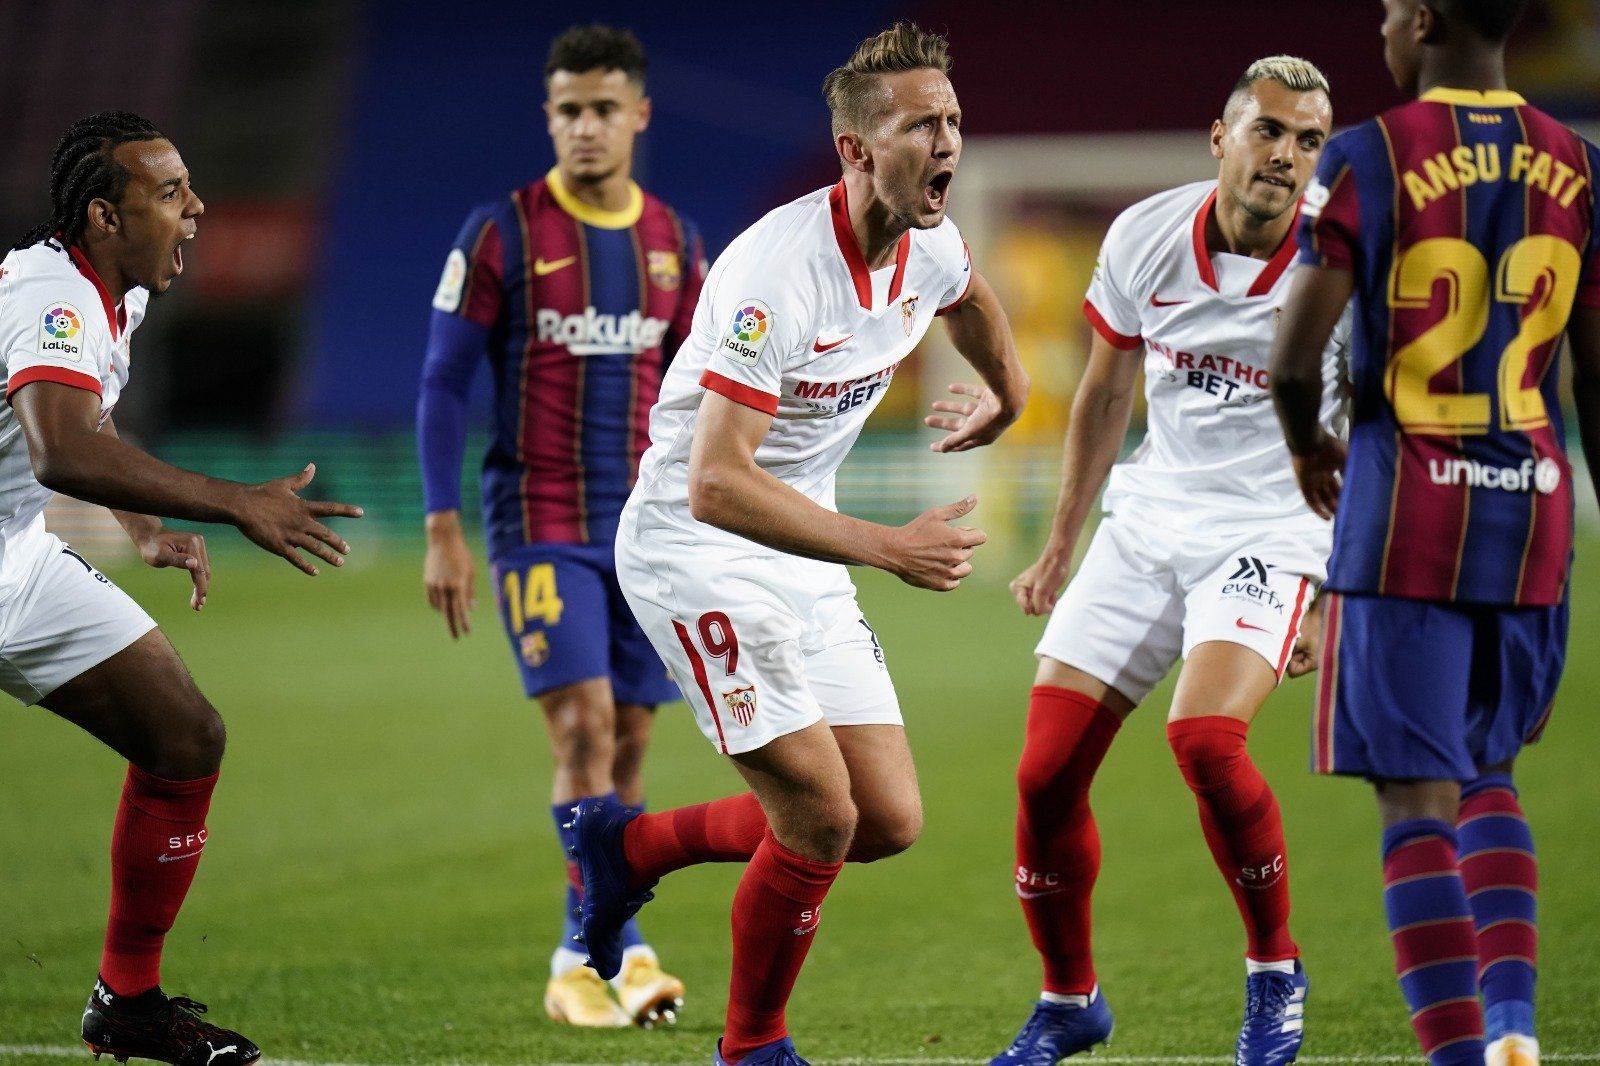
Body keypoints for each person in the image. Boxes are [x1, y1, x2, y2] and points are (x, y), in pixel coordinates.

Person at [566, 22, 1028, 1066]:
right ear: (858, 149)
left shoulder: (931, 242)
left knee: (887, 820)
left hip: (801, 541)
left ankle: (624, 846)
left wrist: (1009, 395)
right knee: (820, 812)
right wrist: (884, 547)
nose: (948, 142)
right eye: (923, 125)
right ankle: (753, 1046)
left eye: (953, 120)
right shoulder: (775, 273)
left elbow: (970, 299)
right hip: (697, 546)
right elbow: (717, 479)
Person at [993, 58, 1343, 1066]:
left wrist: (1332, 589)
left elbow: (1378, 424)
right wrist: (1060, 542)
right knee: (1043, 774)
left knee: (1204, 740)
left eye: (1307, 139)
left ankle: (1274, 971)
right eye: (1269, 130)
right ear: (1219, 137)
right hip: (1149, 519)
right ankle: (1068, 999)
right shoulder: (1145, 233)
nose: (1285, 154)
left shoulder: (1345, 253)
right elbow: (1105, 396)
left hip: (1273, 530)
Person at [1269, 2, 1600, 1063]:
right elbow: (1595, 376)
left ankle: (1459, 1054)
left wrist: (1306, 445)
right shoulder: (1579, 165)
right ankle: (1513, 1024)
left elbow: (1290, 360)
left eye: (1384, 11)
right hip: (1530, 511)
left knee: (1416, 796)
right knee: (1491, 769)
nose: (1378, 28)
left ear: (1421, 21)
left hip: (1406, 509)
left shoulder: (1370, 153)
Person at [0, 111, 362, 1066]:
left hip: (13, 558)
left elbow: (93, 420)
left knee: (184, 735)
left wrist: (151, 534)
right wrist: (231, 502)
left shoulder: (116, 293)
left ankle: (128, 1000)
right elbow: (61, 448)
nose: (197, 209)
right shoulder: (50, 295)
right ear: (103, 217)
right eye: (169, 193)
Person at [415, 24, 702, 1028]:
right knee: (579, 726)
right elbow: (444, 380)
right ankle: (582, 957)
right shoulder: (500, 232)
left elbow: (702, 393)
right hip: (536, 521)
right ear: (549, 117)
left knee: (627, 741)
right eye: (568, 109)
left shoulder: (673, 242)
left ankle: (612, 950)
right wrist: (442, 525)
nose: (586, 126)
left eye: (603, 108)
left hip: (644, 533)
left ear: (638, 116)